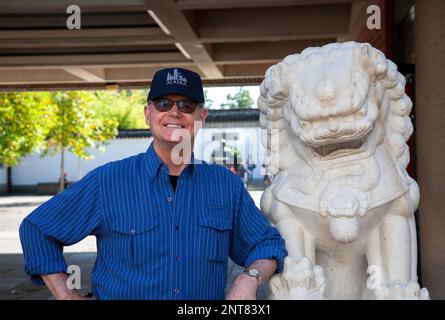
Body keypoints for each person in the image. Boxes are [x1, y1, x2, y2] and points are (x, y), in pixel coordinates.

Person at [19, 67, 287, 300]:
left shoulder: (226, 187)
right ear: (148, 114)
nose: (174, 112)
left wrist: (249, 278)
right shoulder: (108, 182)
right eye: (163, 103)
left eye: (186, 105)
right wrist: (66, 294)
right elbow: (37, 229)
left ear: (201, 117)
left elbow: (268, 245)